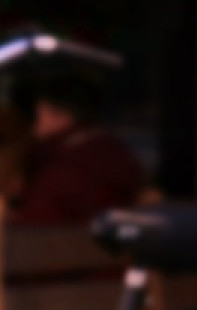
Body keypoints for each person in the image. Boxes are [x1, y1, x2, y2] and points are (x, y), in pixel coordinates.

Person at [10, 74, 143, 225]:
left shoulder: (63, 168)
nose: (34, 128)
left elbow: (33, 225)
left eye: (38, 116)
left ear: (61, 117)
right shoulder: (115, 154)